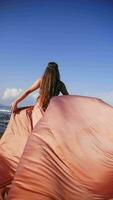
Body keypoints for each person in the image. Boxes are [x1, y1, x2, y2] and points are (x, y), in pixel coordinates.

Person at [0, 62, 69, 200]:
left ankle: (27, 164)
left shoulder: (41, 80)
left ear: (47, 70)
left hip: (38, 112)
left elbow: (27, 92)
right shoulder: (60, 84)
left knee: (28, 135)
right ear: (57, 72)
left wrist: (15, 102)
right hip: (50, 114)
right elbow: (67, 98)